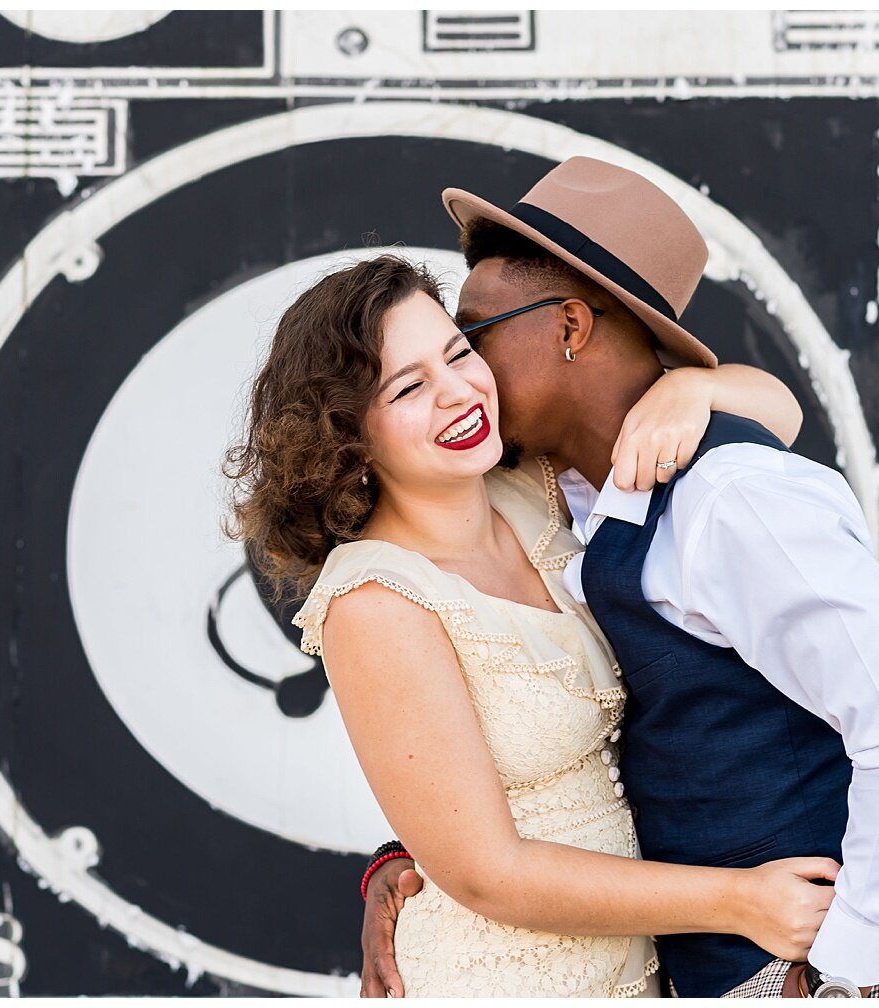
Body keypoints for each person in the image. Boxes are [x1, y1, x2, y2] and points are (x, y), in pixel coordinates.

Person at [358, 157, 879, 998]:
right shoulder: (559, 496)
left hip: (811, 967)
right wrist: (414, 851)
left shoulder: (733, 497)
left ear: (571, 326)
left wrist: (846, 968)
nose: (467, 375)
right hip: (703, 967)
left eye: (474, 338)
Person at [226, 253, 837, 997]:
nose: (458, 392)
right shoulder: (374, 600)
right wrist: (742, 902)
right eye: (411, 386)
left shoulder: (534, 483)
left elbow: (780, 415)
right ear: (346, 436)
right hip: (507, 978)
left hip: (641, 968)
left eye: (458, 352)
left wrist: (692, 390)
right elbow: (487, 873)